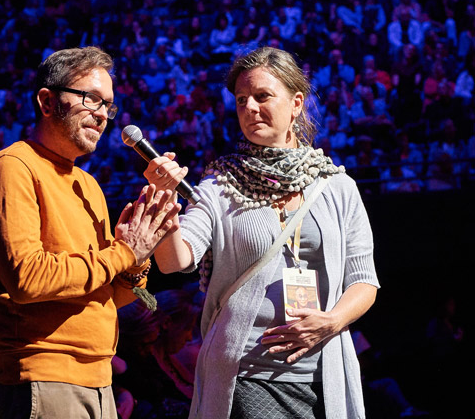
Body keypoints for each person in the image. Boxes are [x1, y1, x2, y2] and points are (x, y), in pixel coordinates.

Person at [144, 47, 380, 419]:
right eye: (241, 100)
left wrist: (331, 322)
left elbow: (364, 281)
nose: (249, 108)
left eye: (262, 96)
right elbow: (175, 260)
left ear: (296, 103)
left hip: (324, 372)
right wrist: (163, 199)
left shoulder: (337, 186)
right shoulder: (220, 185)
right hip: (247, 373)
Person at [0, 46, 181, 418]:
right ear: (47, 102)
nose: (102, 114)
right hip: (43, 376)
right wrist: (123, 253)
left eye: (109, 105)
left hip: (98, 379)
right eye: (91, 99)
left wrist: (137, 260)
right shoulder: (13, 169)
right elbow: (28, 278)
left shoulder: (88, 185)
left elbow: (106, 297)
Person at [114, 288, 203, 419]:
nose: (190, 337)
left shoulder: (156, 360)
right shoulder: (131, 368)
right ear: (168, 323)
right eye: (187, 328)